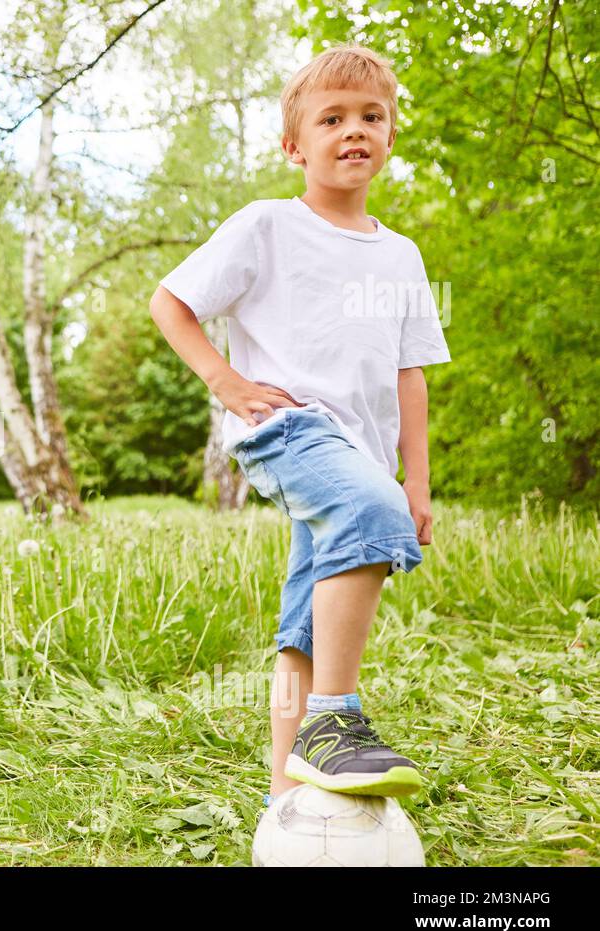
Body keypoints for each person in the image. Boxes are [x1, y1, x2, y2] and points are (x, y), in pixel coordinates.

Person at [148, 44, 451, 810]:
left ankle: (286, 797)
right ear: (295, 145)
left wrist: (414, 480)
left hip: (360, 452)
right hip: (286, 430)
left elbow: (409, 372)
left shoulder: (402, 255)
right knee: (368, 512)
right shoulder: (268, 226)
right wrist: (226, 382)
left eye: (371, 117)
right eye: (333, 118)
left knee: (304, 630)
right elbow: (171, 303)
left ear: (390, 136)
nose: (355, 131)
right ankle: (332, 723)